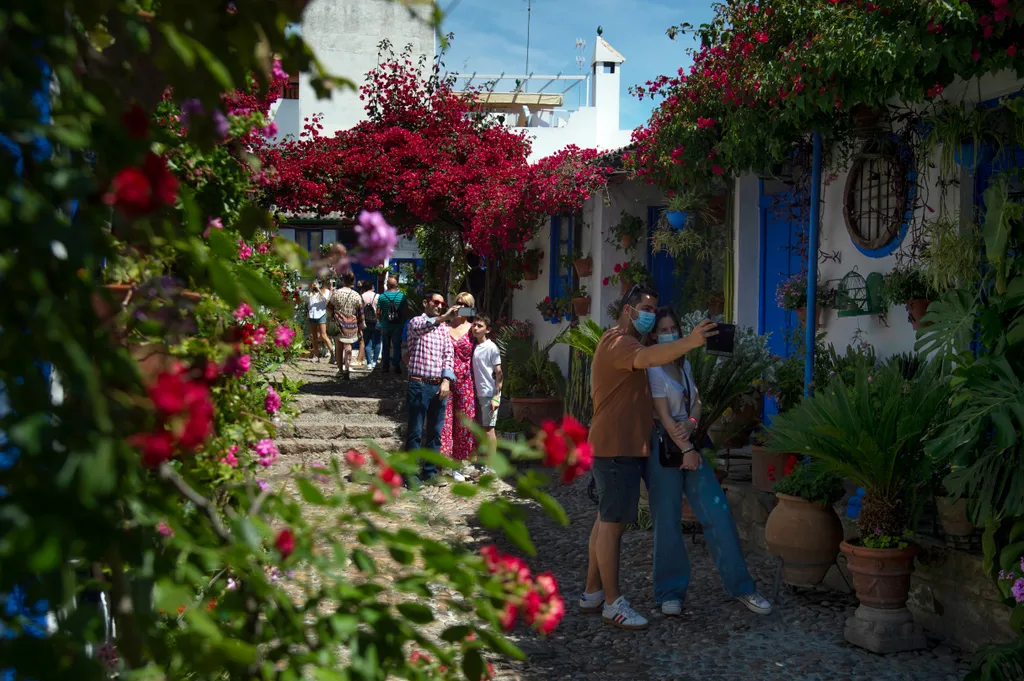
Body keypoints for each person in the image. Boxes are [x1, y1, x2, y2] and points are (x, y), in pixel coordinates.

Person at [580, 285, 717, 630]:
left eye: (653, 310)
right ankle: (614, 603)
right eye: (644, 308)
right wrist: (691, 342)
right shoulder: (619, 343)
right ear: (628, 310)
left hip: (620, 447)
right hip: (615, 449)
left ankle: (593, 592)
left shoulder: (623, 340)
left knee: (605, 520)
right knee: (613, 527)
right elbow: (648, 358)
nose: (650, 315)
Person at [646, 307, 772, 618]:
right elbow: (661, 414)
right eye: (664, 330)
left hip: (687, 441)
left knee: (718, 509)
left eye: (673, 328)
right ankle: (669, 592)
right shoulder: (653, 366)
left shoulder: (683, 363)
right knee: (668, 520)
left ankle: (742, 587)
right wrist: (686, 447)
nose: (670, 334)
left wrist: (691, 422)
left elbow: (697, 400)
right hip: (665, 447)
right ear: (654, 336)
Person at [405, 289, 458, 483]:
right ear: (425, 303)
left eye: (442, 304)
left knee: (435, 433)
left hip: (439, 386)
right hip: (418, 385)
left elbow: (448, 356)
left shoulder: (444, 329)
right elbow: (424, 327)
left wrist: (446, 380)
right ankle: (410, 475)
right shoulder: (415, 322)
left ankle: (429, 472)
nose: (439, 306)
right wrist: (444, 317)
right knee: (415, 432)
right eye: (435, 302)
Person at [440, 292, 477, 478]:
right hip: (445, 380)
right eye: (457, 302)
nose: (459, 306)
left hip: (466, 381)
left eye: (464, 304)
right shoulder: (444, 327)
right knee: (444, 422)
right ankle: (441, 463)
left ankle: (457, 464)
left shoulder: (473, 329)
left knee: (464, 423)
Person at [470, 315, 502, 455]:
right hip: (474, 392)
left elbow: (499, 373)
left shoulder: (491, 347)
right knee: (479, 429)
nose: (475, 328)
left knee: (489, 429)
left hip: (488, 393)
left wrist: (496, 397)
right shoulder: (473, 345)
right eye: (474, 325)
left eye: (480, 326)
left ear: (487, 330)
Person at [328, 272, 363, 380]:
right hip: (351, 324)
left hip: (339, 322)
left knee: (339, 347)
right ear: (353, 281)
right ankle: (347, 367)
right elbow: (360, 312)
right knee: (349, 346)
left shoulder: (336, 293)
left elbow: (329, 308)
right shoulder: (356, 295)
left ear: (343, 280)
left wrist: (330, 318)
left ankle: (340, 370)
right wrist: (361, 325)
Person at [377, 276, 406, 374]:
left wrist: (381, 320)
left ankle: (385, 366)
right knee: (397, 346)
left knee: (385, 346)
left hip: (385, 325)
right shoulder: (402, 296)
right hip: (398, 325)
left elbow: (378, 312)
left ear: (387, 285)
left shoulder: (382, 297)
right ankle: (396, 365)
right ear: (397, 284)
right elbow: (405, 310)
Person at [306, 280, 333, 363]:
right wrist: (310, 288)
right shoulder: (311, 293)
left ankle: (333, 354)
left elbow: (325, 300)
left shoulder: (326, 291)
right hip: (312, 315)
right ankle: (316, 355)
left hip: (321, 314)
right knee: (314, 336)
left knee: (323, 335)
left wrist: (318, 289)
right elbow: (308, 302)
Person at [360, 280, 381, 370]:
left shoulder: (362, 296)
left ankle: (369, 362)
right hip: (377, 321)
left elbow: (360, 310)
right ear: (372, 286)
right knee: (377, 341)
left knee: (367, 342)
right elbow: (380, 309)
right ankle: (375, 362)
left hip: (366, 321)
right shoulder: (378, 296)